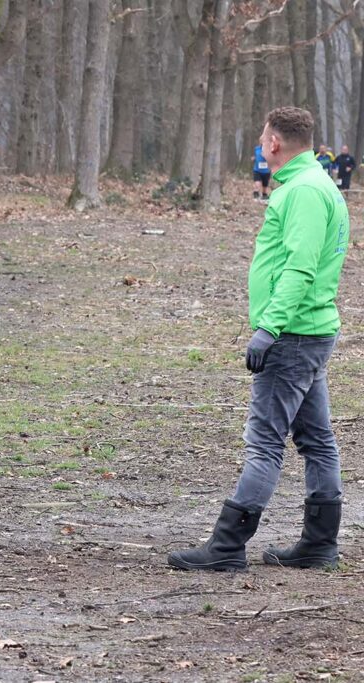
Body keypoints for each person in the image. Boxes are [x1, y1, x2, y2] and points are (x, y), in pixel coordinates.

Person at [168, 107, 349, 572]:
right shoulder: (315, 184)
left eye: (262, 138)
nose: (261, 145)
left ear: (273, 144)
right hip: (310, 331)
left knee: (265, 442)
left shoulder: (304, 193)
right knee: (316, 438)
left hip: (292, 334)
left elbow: (301, 266)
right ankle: (319, 543)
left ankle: (228, 545)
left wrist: (270, 327)